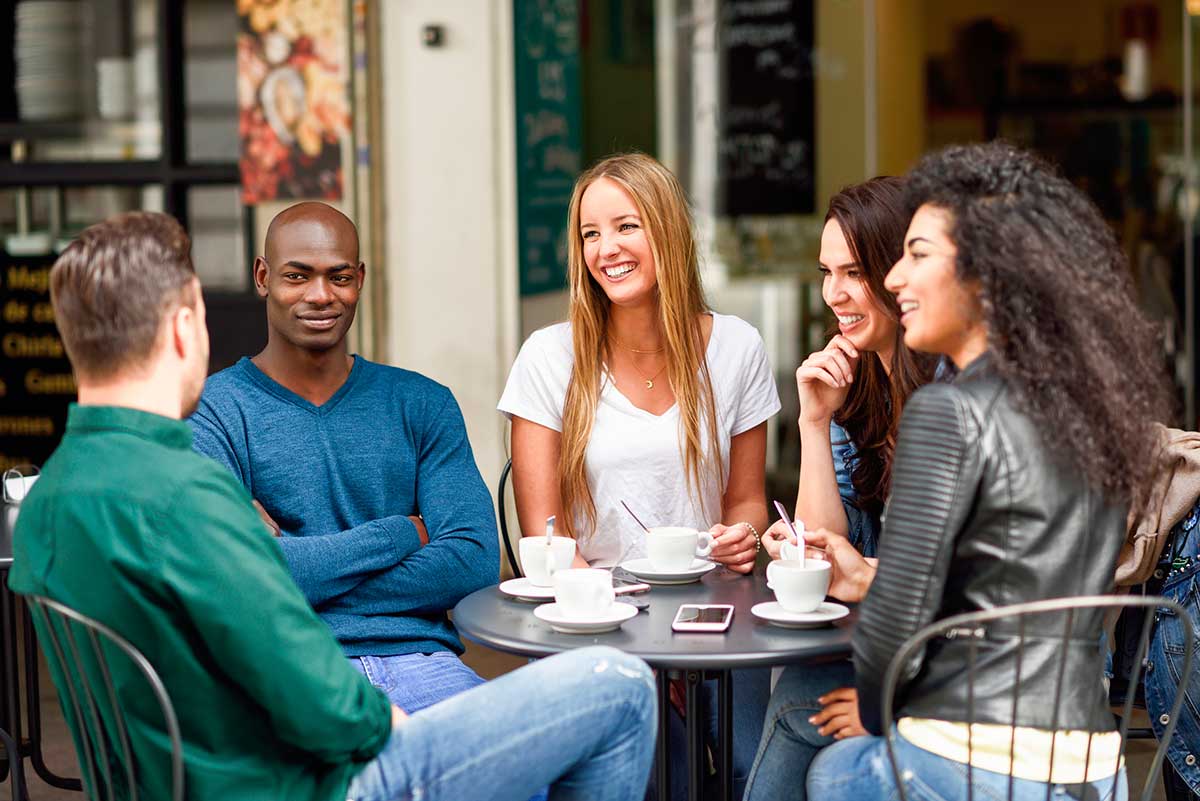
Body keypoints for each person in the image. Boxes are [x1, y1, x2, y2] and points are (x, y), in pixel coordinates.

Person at [9, 211, 657, 801]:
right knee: (618, 682)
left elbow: (461, 563)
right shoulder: (183, 494)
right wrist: (395, 720)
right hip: (310, 779)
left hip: (199, 772)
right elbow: (317, 694)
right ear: (184, 326)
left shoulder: (51, 496)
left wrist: (294, 563)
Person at [798, 142, 1173, 800]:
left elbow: (893, 623)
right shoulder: (1091, 403)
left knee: (832, 770)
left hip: (981, 764)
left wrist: (879, 713)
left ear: (985, 272)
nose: (893, 280)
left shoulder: (948, 409)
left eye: (916, 256)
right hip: (1095, 765)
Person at [497, 152, 779, 799]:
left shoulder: (737, 348)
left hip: (717, 611)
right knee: (658, 777)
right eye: (590, 234)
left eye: (626, 226)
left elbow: (747, 502)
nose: (606, 248)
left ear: (667, 232)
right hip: (601, 617)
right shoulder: (549, 356)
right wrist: (628, 628)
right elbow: (545, 536)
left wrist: (742, 535)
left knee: (753, 772)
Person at [190, 202, 499, 718]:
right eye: (297, 275)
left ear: (359, 280)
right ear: (263, 277)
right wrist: (404, 533)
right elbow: (234, 579)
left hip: (424, 664)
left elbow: (473, 560)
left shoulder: (422, 403)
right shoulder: (212, 413)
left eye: (338, 277)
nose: (320, 295)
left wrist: (294, 573)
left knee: (533, 777)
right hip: (284, 672)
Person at [743, 177, 939, 801]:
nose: (834, 294)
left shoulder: (949, 394)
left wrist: (889, 706)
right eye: (827, 272)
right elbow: (821, 546)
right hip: (905, 644)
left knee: (799, 702)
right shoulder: (861, 389)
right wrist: (813, 420)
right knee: (802, 690)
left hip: (955, 664)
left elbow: (963, 588)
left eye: (853, 271)